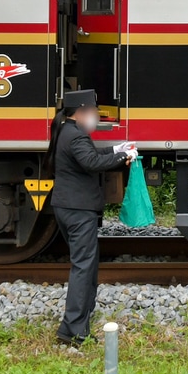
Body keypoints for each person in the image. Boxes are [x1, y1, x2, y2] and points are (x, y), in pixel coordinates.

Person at [48, 89, 137, 347]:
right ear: (82, 112)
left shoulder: (68, 132)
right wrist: (123, 156)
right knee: (83, 267)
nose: (97, 117)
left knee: (86, 265)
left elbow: (90, 156)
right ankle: (74, 330)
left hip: (69, 208)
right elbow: (91, 162)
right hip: (78, 210)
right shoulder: (76, 136)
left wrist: (116, 148)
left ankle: (76, 323)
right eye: (95, 112)